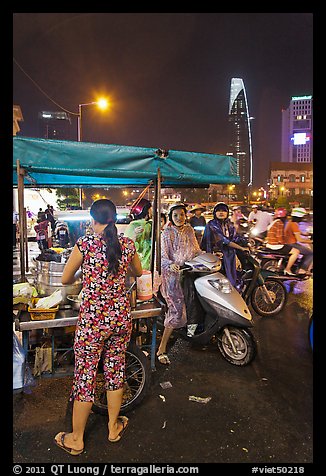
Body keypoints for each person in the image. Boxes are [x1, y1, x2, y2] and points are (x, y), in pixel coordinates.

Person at [54, 199, 142, 455]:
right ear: (114, 218)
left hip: (93, 322)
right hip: (120, 319)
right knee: (115, 370)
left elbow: (65, 278)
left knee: (86, 375)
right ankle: (113, 428)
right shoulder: (127, 244)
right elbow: (137, 271)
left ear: (93, 219)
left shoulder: (86, 244)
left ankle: (76, 439)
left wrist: (87, 272)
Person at [156, 202, 202, 364]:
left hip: (189, 273)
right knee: (176, 311)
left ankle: (190, 334)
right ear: (170, 217)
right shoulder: (166, 233)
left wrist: (207, 257)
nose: (179, 218)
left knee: (192, 305)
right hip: (172, 277)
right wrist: (171, 264)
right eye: (175, 215)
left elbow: (196, 250)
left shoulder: (189, 230)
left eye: (182, 214)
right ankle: (161, 348)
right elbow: (162, 257)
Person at [200, 202, 249, 287]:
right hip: (215, 255)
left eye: (224, 210)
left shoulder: (229, 224)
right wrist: (241, 248)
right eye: (218, 210)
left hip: (229, 254)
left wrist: (245, 241)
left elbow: (234, 238)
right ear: (215, 213)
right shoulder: (212, 224)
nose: (221, 212)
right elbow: (224, 240)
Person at [265, 207, 301, 276]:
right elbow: (279, 237)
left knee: (289, 248)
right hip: (275, 245)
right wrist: (284, 243)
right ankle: (287, 269)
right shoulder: (280, 223)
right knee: (296, 252)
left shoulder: (274, 222)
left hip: (270, 244)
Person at [124, 198, 153, 270]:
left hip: (137, 267)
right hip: (144, 266)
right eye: (150, 209)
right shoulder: (147, 225)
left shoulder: (132, 226)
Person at [284, 207, 313, 276]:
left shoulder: (291, 222)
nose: (303, 218)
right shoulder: (294, 224)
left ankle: (298, 267)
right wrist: (311, 241)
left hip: (288, 243)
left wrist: (308, 234)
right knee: (310, 253)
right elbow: (300, 240)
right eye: (303, 216)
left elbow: (298, 233)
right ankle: (302, 269)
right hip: (291, 244)